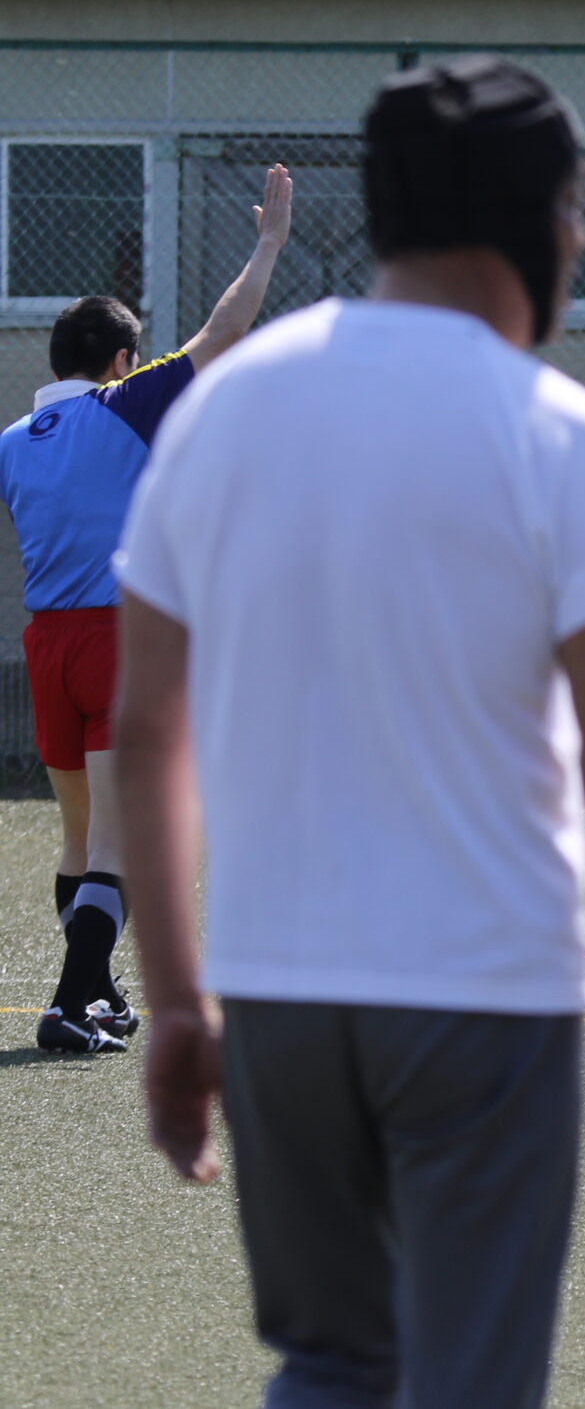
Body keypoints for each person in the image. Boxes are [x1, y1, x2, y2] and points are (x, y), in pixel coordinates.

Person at [116, 56, 585, 1408]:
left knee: (330, 1364)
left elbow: (147, 731)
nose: (583, 238)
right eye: (576, 207)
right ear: (528, 217)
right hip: (482, 991)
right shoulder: (558, 430)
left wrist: (176, 996)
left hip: (278, 990)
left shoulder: (222, 410)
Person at [2, 165, 292, 1054]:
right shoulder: (126, 405)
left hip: (46, 643)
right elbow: (226, 329)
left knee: (80, 837)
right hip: (119, 641)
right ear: (123, 360)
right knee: (121, 845)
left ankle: (97, 994)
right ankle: (65, 1008)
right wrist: (269, 243)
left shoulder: (12, 442)